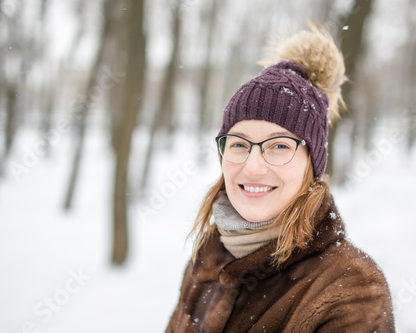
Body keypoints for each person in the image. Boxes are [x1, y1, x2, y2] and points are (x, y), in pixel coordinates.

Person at [166, 24, 395, 333]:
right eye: (238, 144)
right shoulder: (206, 258)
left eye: (278, 146)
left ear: (311, 165)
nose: (253, 167)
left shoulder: (351, 290)